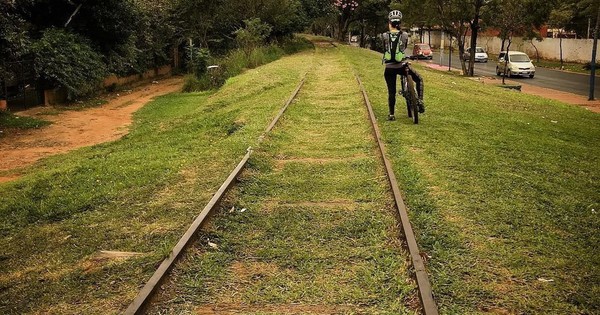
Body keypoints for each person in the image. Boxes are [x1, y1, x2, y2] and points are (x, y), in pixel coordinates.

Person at [382, 10, 424, 121]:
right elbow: (403, 48)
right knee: (419, 79)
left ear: (390, 23)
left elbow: (385, 49)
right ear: (399, 23)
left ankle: (391, 114)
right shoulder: (404, 35)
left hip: (389, 68)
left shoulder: (385, 35)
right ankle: (419, 100)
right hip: (401, 66)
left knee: (392, 91)